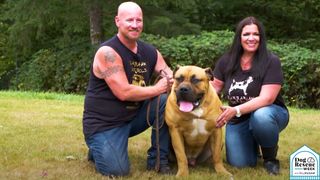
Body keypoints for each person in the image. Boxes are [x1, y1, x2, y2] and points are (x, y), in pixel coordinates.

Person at [82, 1, 173, 176]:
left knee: (165, 101)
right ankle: (97, 147)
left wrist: (173, 80)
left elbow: (169, 74)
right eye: (129, 20)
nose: (134, 25)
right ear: (117, 21)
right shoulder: (107, 53)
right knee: (118, 171)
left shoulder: (150, 52)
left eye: (138, 20)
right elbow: (123, 92)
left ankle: (158, 160)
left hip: (133, 118)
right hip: (105, 124)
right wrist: (159, 87)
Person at [212, 16, 289, 175]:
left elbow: (267, 98)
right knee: (240, 163)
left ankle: (270, 158)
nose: (251, 38)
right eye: (246, 34)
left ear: (261, 37)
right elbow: (213, 89)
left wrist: (236, 110)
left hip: (270, 113)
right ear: (239, 37)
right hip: (238, 119)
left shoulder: (271, 61)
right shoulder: (226, 61)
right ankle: (254, 143)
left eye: (256, 34)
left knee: (260, 117)